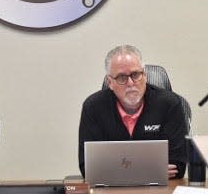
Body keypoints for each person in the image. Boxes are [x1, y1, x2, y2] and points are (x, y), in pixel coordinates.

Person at [78, 45, 187, 179]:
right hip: (109, 193)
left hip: (161, 192)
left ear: (145, 75)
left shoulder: (170, 104)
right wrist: (151, 171)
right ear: (110, 82)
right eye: (122, 77)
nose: (130, 83)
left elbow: (178, 167)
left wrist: (116, 170)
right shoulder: (93, 107)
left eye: (136, 75)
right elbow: (88, 168)